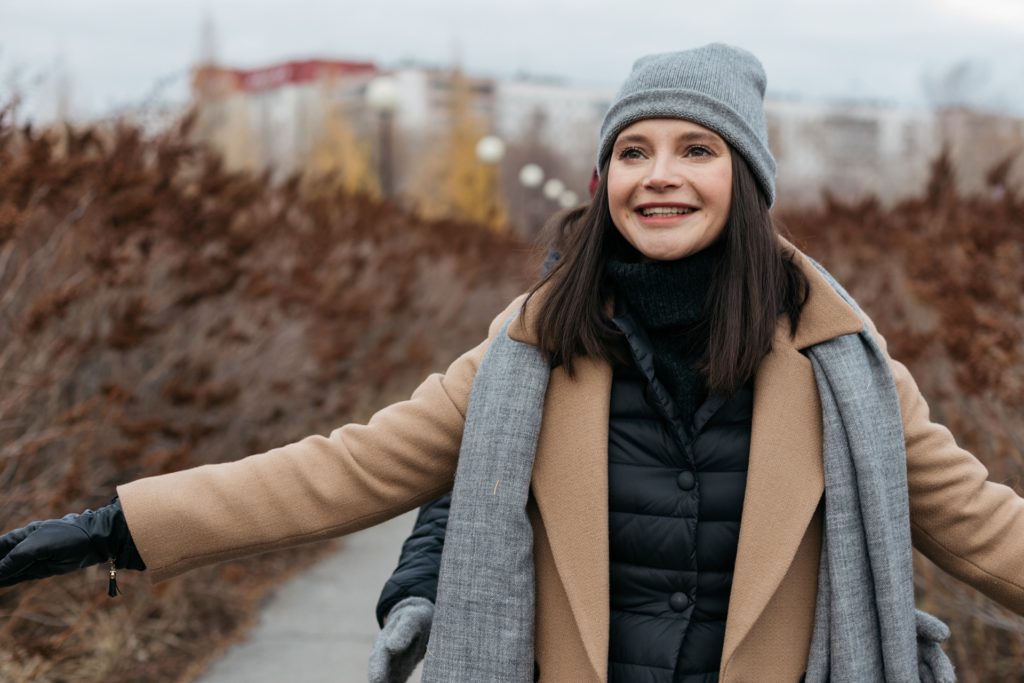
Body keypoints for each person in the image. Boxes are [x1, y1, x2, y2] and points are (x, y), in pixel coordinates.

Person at [2, 43, 1023, 683]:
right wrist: (112, 528)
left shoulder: (845, 372)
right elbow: (343, 467)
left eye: (695, 150)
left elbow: (981, 529)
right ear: (605, 176)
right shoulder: (531, 351)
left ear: (745, 184)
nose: (659, 175)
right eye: (634, 151)